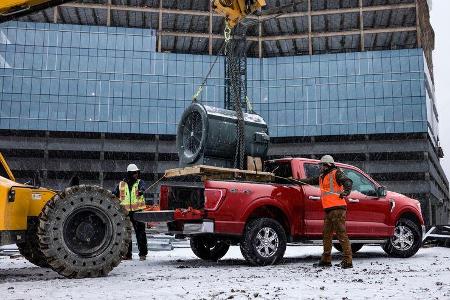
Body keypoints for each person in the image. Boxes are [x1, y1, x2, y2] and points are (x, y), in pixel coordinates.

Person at [302, 155, 354, 269]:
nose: (320, 167)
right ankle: (326, 260)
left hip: (338, 209)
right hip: (328, 209)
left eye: (322, 165)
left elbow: (348, 181)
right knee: (326, 235)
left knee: (341, 235)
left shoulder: (336, 173)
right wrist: (298, 181)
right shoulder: (322, 176)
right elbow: (310, 180)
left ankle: (348, 261)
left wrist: (346, 192)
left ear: (328, 164)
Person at [113, 164, 148, 261]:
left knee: (140, 233)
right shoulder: (121, 184)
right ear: (129, 174)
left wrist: (141, 191)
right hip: (125, 213)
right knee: (126, 235)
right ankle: (128, 255)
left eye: (137, 172)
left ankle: (143, 254)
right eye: (134, 173)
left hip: (138, 212)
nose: (136, 174)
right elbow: (114, 194)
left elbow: (143, 187)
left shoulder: (140, 182)